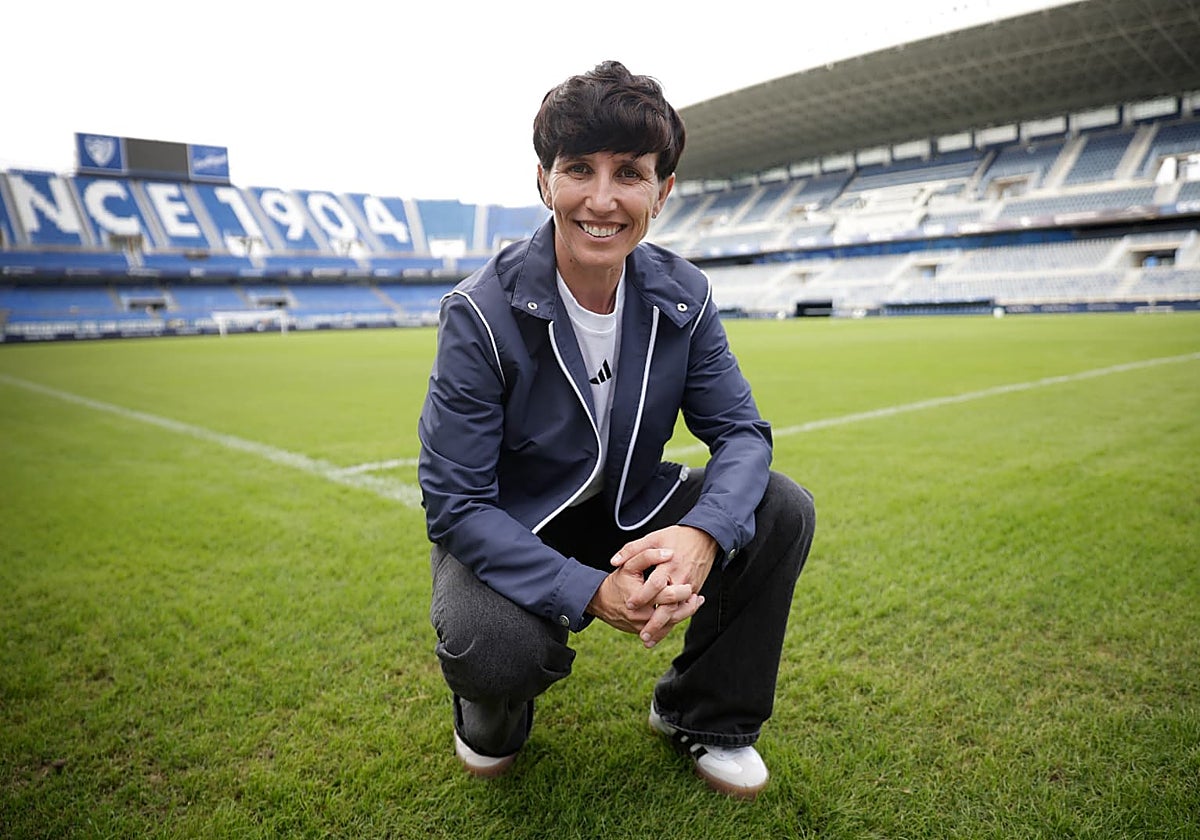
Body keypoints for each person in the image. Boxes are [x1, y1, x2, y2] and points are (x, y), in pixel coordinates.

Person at [417, 60, 815, 800]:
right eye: (579, 170)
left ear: (661, 193)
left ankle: (702, 714)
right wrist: (592, 591)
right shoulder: (479, 313)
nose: (601, 199)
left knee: (779, 508)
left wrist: (702, 535)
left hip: (632, 510)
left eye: (629, 173)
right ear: (545, 182)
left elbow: (741, 435)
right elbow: (456, 506)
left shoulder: (682, 295)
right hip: (518, 525)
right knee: (491, 647)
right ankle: (494, 710)